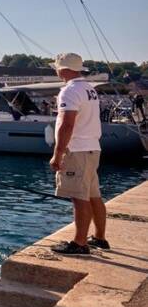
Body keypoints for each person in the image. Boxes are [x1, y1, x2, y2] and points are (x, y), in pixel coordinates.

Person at [48, 52, 107, 255]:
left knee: (78, 197)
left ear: (64, 69)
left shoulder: (69, 91)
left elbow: (67, 123)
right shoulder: (89, 89)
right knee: (93, 195)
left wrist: (58, 153)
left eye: (56, 67)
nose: (56, 70)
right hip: (92, 148)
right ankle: (99, 237)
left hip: (77, 150)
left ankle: (80, 243)